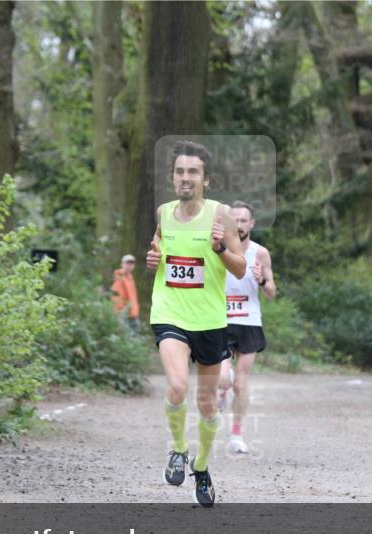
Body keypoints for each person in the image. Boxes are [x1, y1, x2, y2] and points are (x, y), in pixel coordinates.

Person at [146, 141, 246, 507]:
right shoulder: (164, 212)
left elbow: (240, 268)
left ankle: (201, 468)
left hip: (209, 320)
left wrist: (220, 249)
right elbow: (158, 249)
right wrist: (153, 258)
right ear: (173, 177)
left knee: (206, 403)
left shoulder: (222, 216)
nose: (185, 178)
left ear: (206, 179)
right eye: (179, 172)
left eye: (193, 172)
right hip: (170, 312)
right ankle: (178, 450)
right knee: (176, 385)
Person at [217, 201, 275, 454]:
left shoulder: (260, 253)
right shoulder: (218, 249)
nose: (239, 225)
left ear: (251, 224)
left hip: (249, 320)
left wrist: (261, 278)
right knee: (223, 379)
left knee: (240, 384)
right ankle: (221, 394)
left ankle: (237, 434)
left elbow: (272, 292)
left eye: (243, 221)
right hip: (220, 320)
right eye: (235, 220)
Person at [110, 254, 140, 331]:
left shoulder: (130, 278)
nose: (130, 265)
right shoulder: (119, 277)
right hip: (123, 315)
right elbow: (116, 297)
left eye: (132, 263)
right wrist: (119, 312)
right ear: (122, 264)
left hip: (133, 314)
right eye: (127, 263)